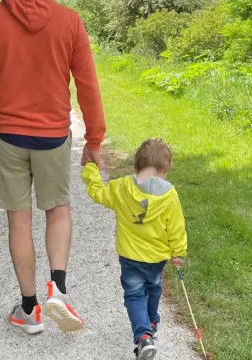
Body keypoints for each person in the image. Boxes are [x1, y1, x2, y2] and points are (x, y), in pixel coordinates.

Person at [0, 0, 106, 334]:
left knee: (19, 221)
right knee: (57, 210)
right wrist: (95, 139)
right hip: (54, 136)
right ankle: (58, 287)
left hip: (7, 136)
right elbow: (88, 84)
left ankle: (29, 311)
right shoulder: (69, 21)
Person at [81, 139, 187, 360]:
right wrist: (178, 252)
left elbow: (98, 192)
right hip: (157, 258)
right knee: (154, 288)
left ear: (136, 168)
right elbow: (176, 226)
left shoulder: (121, 187)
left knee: (135, 294)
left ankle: (143, 336)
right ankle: (151, 321)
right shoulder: (169, 195)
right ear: (163, 171)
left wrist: (91, 168)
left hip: (130, 257)